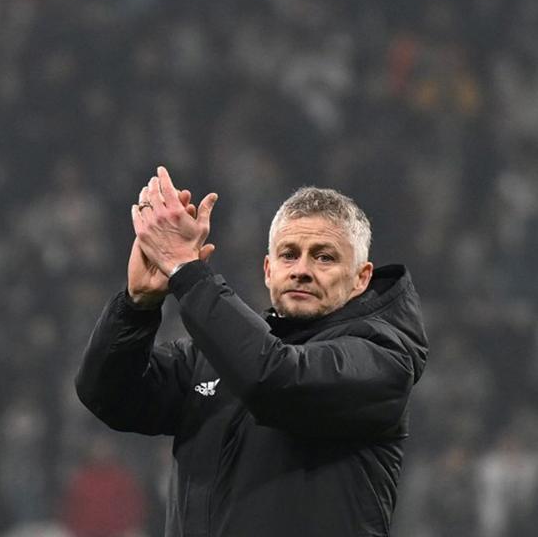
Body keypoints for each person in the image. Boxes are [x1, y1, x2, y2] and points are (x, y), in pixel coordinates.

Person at [75, 167, 428, 536]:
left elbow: (276, 380)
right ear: (268, 270)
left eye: (324, 257)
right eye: (289, 255)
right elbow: (106, 394)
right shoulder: (212, 357)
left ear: (361, 277)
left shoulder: (383, 358)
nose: (302, 270)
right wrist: (137, 305)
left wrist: (185, 270)